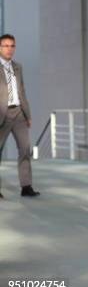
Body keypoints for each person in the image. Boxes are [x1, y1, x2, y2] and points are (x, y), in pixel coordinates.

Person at [0, 34, 39, 199]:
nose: (9, 49)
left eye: (12, 46)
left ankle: (26, 186)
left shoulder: (18, 67)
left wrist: (28, 114)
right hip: (2, 113)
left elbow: (22, 92)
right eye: (6, 46)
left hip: (19, 114)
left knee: (25, 149)